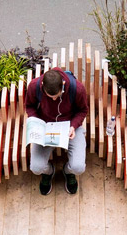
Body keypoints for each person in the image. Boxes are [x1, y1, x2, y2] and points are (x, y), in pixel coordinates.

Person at [25, 67, 89, 195]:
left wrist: (74, 126)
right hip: (46, 126)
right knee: (36, 168)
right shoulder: (34, 86)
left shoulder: (77, 88)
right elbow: (29, 106)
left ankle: (68, 171)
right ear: (43, 86)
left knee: (78, 167)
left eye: (57, 96)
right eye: (50, 97)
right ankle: (48, 172)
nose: (54, 99)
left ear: (63, 85)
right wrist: (37, 123)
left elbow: (83, 110)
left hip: (70, 127)